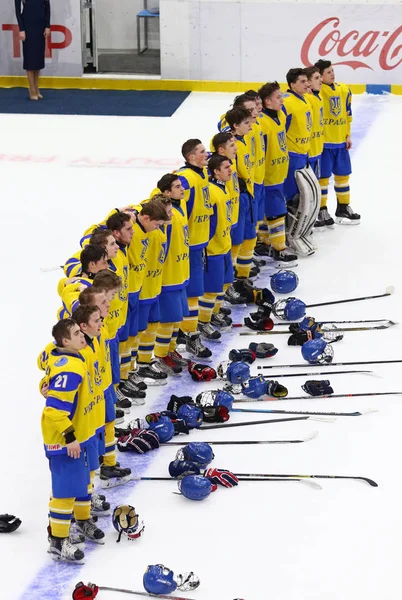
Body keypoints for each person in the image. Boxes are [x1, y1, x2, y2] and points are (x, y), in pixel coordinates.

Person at [40, 319, 94, 563]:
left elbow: (43, 358)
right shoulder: (70, 369)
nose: (81, 335)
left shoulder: (59, 352)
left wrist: (44, 382)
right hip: (64, 440)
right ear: (65, 342)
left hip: (78, 435)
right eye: (76, 333)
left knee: (80, 484)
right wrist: (70, 437)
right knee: (64, 492)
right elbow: (54, 410)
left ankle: (80, 523)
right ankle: (58, 542)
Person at [153, 174, 211, 361]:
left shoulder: (179, 206)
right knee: (167, 320)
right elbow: (162, 249)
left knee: (176, 318)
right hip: (168, 278)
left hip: (180, 273)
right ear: (167, 192)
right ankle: (161, 356)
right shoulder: (166, 217)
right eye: (177, 187)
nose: (182, 189)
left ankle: (170, 350)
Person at [314, 59, 360, 225]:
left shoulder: (344, 89)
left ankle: (343, 207)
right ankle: (321, 209)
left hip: (340, 142)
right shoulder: (317, 93)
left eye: (332, 71)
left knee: (343, 176)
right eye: (328, 72)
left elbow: (347, 114)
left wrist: (347, 135)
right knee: (323, 179)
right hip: (324, 144)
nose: (332, 74)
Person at [175, 140, 212, 346]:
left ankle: (190, 326)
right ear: (191, 157)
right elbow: (179, 210)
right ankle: (187, 332)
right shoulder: (186, 178)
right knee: (189, 289)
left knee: (196, 288)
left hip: (199, 241)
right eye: (201, 151)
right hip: (188, 245)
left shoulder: (201, 173)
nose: (206, 154)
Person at [257, 82, 296, 266]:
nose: (282, 100)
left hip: (279, 173)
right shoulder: (261, 122)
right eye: (278, 97)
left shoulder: (280, 114)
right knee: (276, 212)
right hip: (268, 177)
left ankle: (265, 242)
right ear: (267, 101)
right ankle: (279, 248)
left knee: (269, 211)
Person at [197, 155, 234, 340]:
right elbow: (208, 223)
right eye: (226, 167)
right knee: (211, 289)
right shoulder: (211, 191)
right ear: (216, 171)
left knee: (224, 283)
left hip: (224, 245)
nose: (231, 170)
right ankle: (203, 322)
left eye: (230, 166)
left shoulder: (223, 188)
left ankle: (214, 312)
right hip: (212, 250)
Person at [282, 68, 312, 203]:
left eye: (307, 81)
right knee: (291, 195)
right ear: (292, 85)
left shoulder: (304, 99)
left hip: (303, 154)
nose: (307, 84)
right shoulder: (287, 103)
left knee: (301, 194)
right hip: (292, 155)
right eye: (302, 81)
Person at [15, 0, 51, 101]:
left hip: (40, 26)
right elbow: (17, 11)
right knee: (30, 58)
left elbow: (47, 8)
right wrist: (21, 29)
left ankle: (36, 88)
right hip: (27, 27)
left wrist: (47, 26)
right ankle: (32, 89)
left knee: (38, 59)